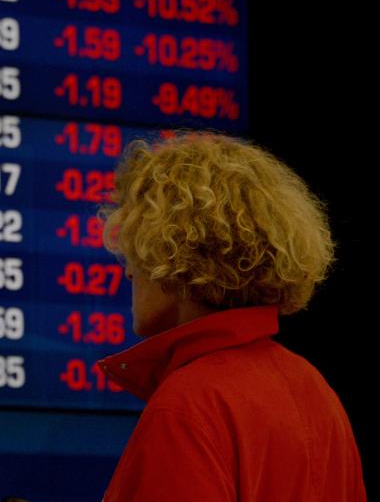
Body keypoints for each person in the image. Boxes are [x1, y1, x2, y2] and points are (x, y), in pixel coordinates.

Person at [94, 130, 366, 501]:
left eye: (137, 250)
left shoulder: (189, 404)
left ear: (177, 257)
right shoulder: (316, 391)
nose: (128, 272)